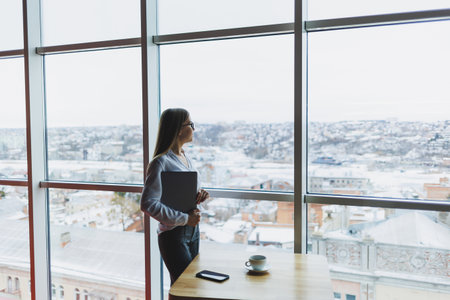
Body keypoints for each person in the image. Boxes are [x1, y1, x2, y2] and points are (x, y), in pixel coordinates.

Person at [140, 108, 209, 285]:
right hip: (174, 234)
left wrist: (198, 195)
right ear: (179, 129)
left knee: (191, 286)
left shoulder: (185, 157)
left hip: (192, 230)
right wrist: (186, 219)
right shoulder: (160, 162)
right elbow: (148, 204)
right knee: (184, 287)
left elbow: (179, 194)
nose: (193, 128)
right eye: (190, 124)